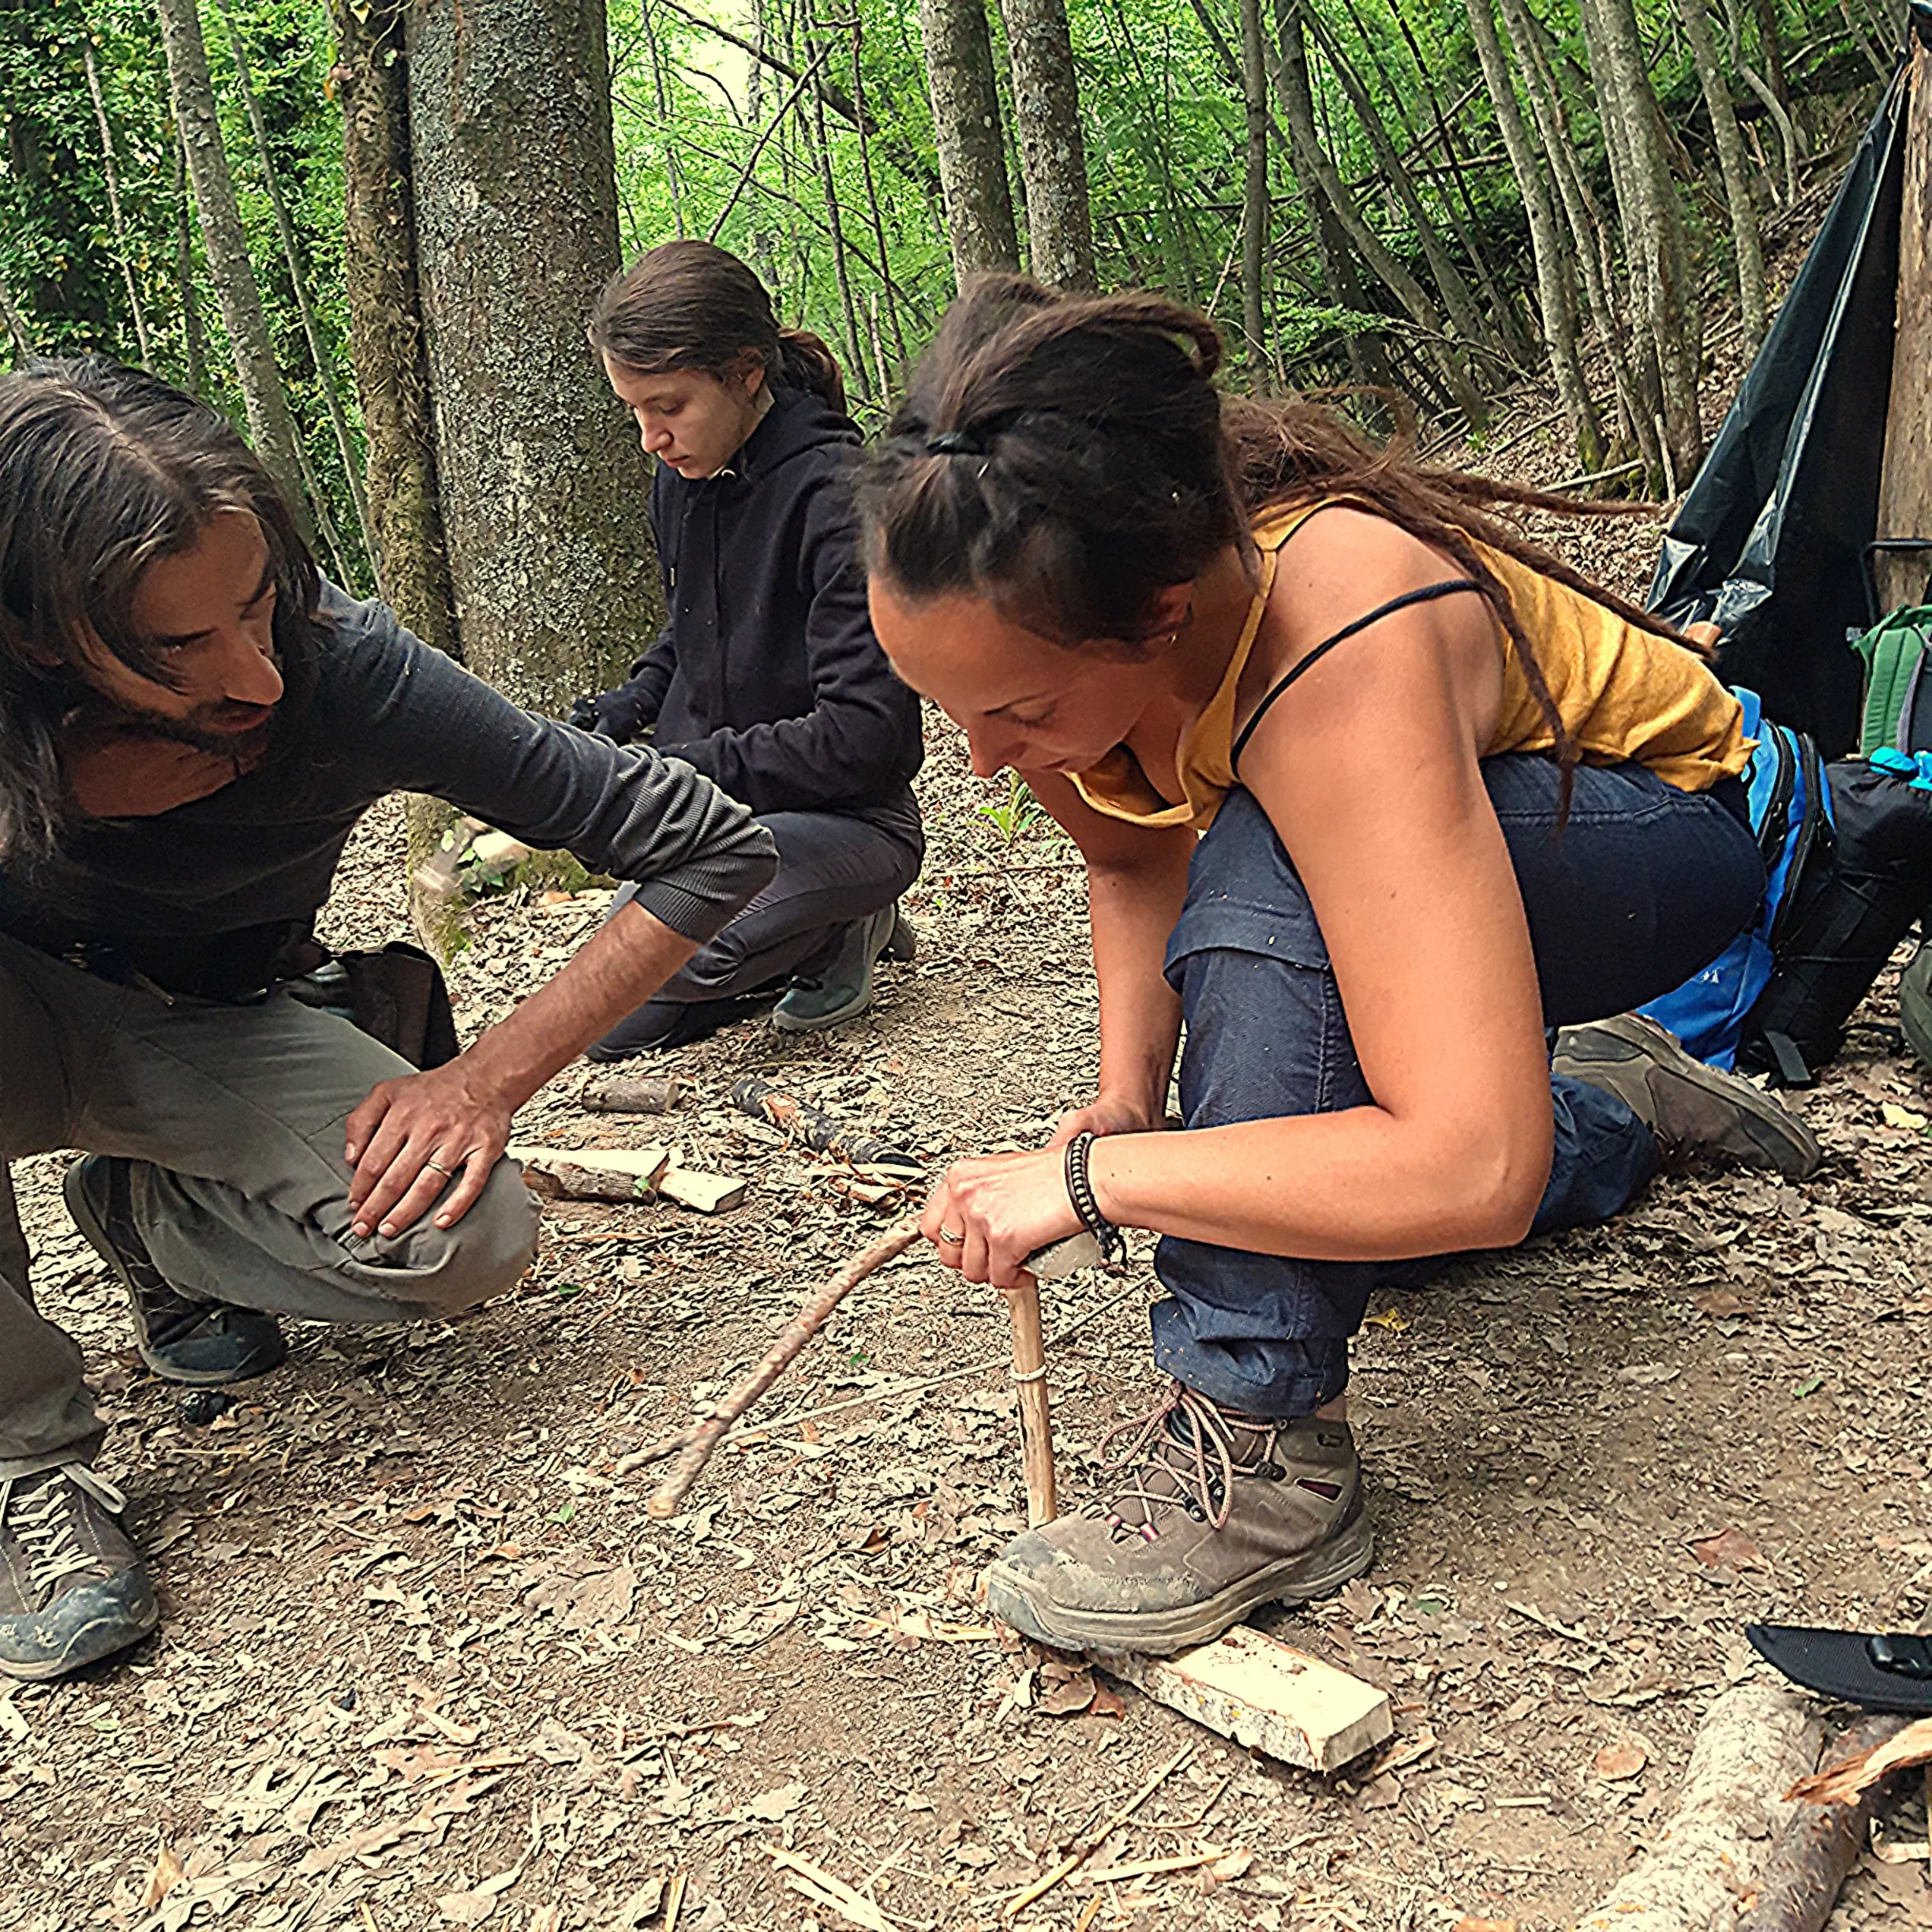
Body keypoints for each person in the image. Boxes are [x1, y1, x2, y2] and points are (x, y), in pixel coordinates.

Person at [855, 279, 1822, 1657]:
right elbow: (1131, 855)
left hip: (1663, 837)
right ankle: (1615, 1104)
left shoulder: (1333, 634)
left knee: (1274, 864)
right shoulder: (1045, 633)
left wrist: (1083, 1181)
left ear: (1162, 614)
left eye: (1013, 713)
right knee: (1344, 1193)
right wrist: (1125, 1095)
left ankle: (1259, 1445)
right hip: (1443, 851)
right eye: (952, 711)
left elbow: (1471, 1170)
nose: (984, 761)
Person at [0, 358, 778, 1681]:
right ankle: (26, 1466)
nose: (250, 675)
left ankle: (148, 1214)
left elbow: (712, 847)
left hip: (203, 1012)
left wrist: (484, 1079)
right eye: (177, 649)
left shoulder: (343, 672)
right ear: (35, 635)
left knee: (463, 1237)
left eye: (257, 607)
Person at [571, 240, 923, 1054]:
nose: (651, 438)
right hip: (717, 814)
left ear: (745, 372)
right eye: (634, 410)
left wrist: (674, 768)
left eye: (668, 406)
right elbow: (689, 638)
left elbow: (869, 737)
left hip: (850, 818)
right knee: (607, 1020)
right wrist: (618, 717)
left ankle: (847, 920)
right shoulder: (685, 479)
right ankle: (803, 929)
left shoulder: (838, 497)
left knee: (637, 988)